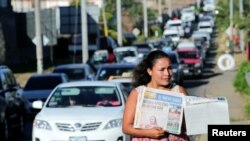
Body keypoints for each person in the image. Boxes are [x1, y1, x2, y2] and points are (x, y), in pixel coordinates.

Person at [122, 50, 190, 141]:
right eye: (162, 69)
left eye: (169, 68)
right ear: (150, 71)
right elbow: (126, 127)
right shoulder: (137, 94)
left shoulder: (179, 91)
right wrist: (148, 133)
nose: (167, 73)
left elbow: (191, 123)